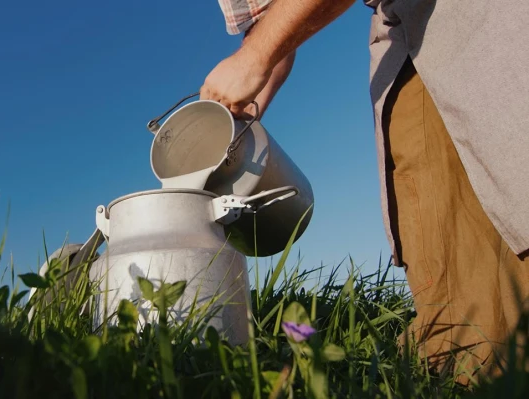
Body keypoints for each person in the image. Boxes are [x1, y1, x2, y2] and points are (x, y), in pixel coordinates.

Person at [201, 0, 529, 384]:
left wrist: (253, 59)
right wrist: (245, 93)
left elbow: (262, 48)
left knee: (511, 161)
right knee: (453, 274)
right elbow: (268, 26)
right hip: (401, 32)